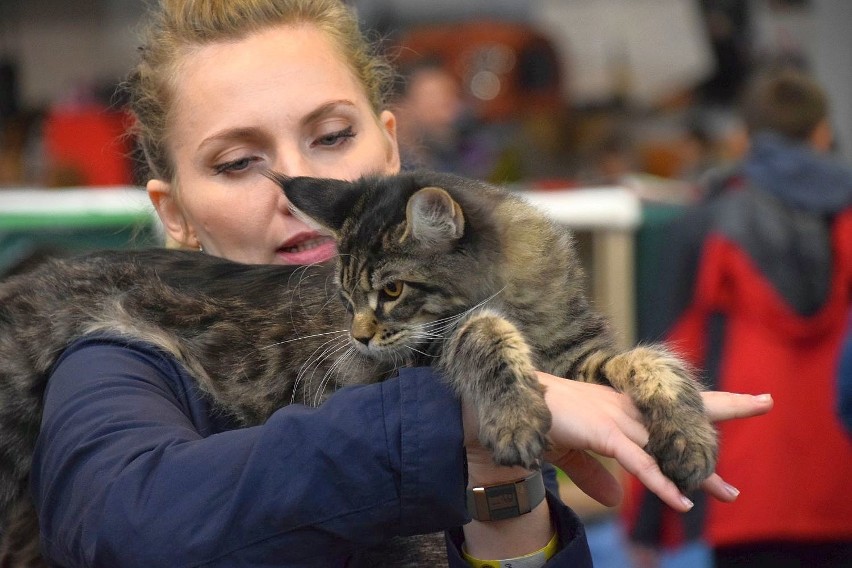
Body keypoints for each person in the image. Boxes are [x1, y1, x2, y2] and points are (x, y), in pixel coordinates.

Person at [28, 1, 773, 566]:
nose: (301, 185)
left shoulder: (445, 320)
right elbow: (123, 522)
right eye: (236, 163)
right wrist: (446, 423)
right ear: (176, 213)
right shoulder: (118, 356)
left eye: (332, 136)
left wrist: (499, 475)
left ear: (390, 149)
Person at [623, 67, 852, 567]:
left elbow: (664, 368)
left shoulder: (705, 223)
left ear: (744, 138)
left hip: (740, 491)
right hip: (843, 486)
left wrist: (647, 518)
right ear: (823, 134)